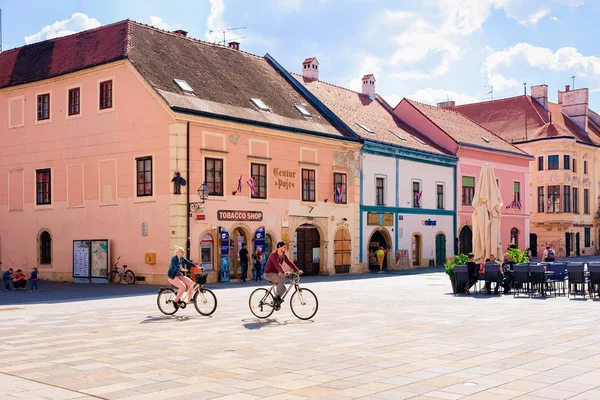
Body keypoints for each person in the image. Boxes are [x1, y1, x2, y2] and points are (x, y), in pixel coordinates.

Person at [264, 242, 300, 307]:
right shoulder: (274, 255)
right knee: (281, 279)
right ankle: (275, 297)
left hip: (275, 274)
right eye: (284, 247)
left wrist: (297, 270)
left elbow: (289, 262)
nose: (286, 248)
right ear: (280, 247)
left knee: (284, 289)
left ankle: (275, 302)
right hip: (268, 273)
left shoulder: (283, 255)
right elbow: (277, 264)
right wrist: (283, 272)